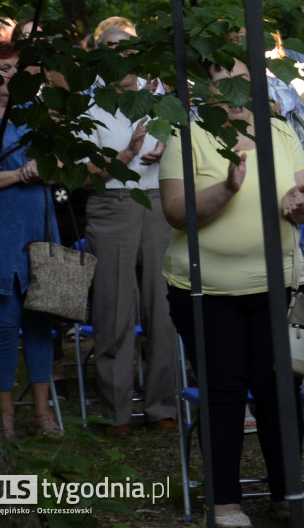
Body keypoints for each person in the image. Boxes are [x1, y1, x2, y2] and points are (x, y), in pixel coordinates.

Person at [161, 57, 304, 527]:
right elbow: (175, 211)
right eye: (220, 80)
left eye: (241, 80)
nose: (231, 88)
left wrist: (301, 203)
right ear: (207, 89)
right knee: (225, 391)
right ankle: (225, 501)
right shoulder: (186, 135)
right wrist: (228, 190)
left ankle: (288, 494)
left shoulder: (280, 132)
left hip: (278, 287)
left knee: (279, 391)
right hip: (206, 291)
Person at [83, 28, 177, 437]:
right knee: (114, 309)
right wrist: (125, 155)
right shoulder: (88, 103)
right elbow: (80, 174)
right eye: (112, 52)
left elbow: (190, 148)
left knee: (163, 309)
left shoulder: (162, 96)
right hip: (111, 203)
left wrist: (166, 150)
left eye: (130, 51)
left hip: (159, 201)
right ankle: (116, 411)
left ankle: (162, 407)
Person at [0, 42, 63, 439]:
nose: (13, 75)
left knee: (40, 319)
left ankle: (43, 413)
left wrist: (46, 169)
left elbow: (61, 163)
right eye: (5, 69)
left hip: (38, 227)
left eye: (17, 69)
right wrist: (19, 175)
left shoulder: (33, 114)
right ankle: (5, 414)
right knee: (6, 322)